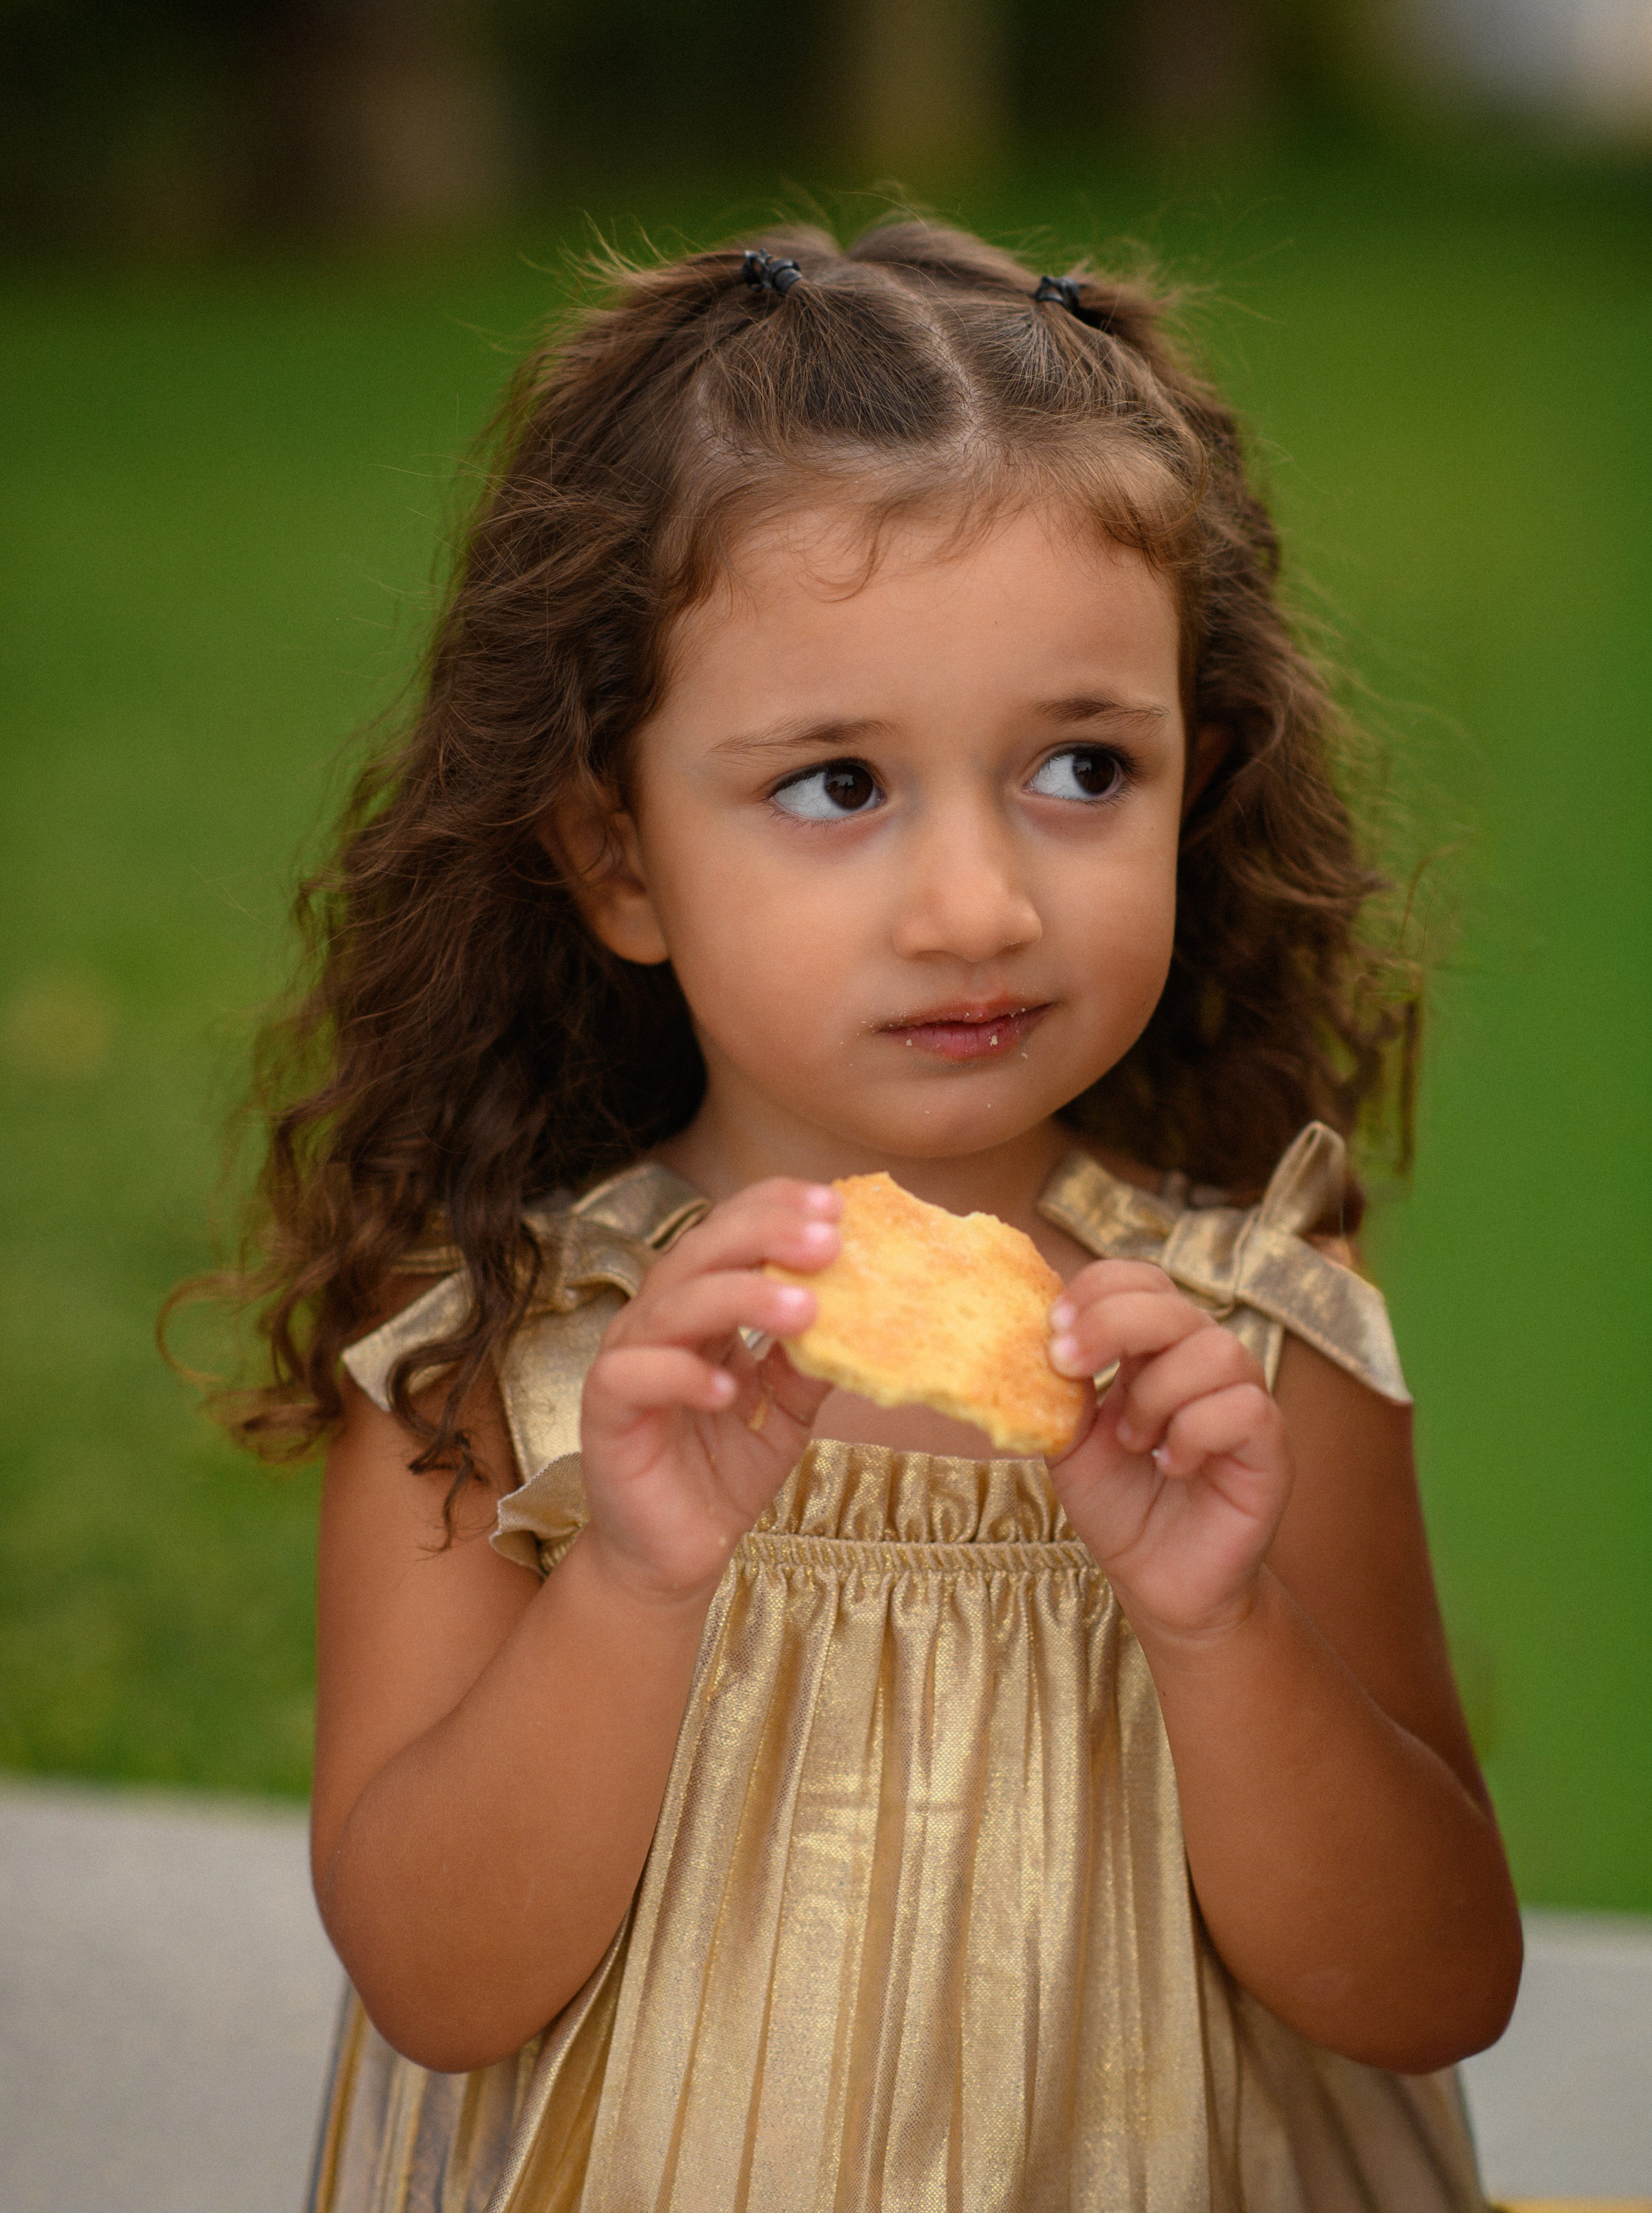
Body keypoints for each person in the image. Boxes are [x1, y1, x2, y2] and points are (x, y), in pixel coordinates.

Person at [212, 221, 1522, 2211]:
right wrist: (633, 1586)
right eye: (838, 786)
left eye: (1082, 766)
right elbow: (436, 1984)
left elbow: (1429, 1989)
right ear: (617, 855)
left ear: (1198, 780)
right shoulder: (497, 1354)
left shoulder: (1253, 1346)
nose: (979, 905)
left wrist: (1219, 1621)